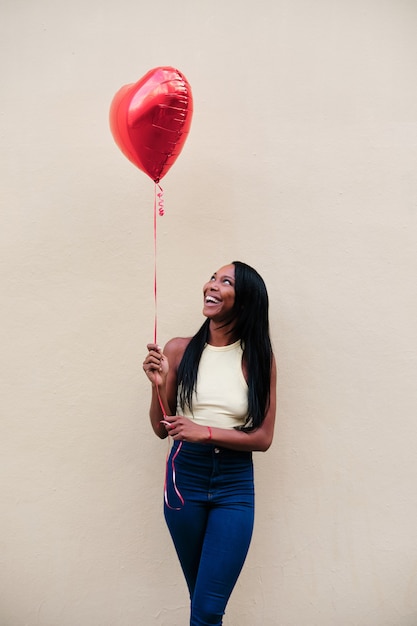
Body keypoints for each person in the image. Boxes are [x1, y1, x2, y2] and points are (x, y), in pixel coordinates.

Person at [142, 261, 276, 626]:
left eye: (225, 281)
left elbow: (263, 438)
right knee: (202, 603)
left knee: (207, 608)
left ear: (245, 300)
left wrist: (208, 432)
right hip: (185, 479)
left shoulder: (259, 359)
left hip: (234, 486)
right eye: (212, 277)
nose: (211, 285)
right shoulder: (178, 349)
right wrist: (159, 383)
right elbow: (160, 427)